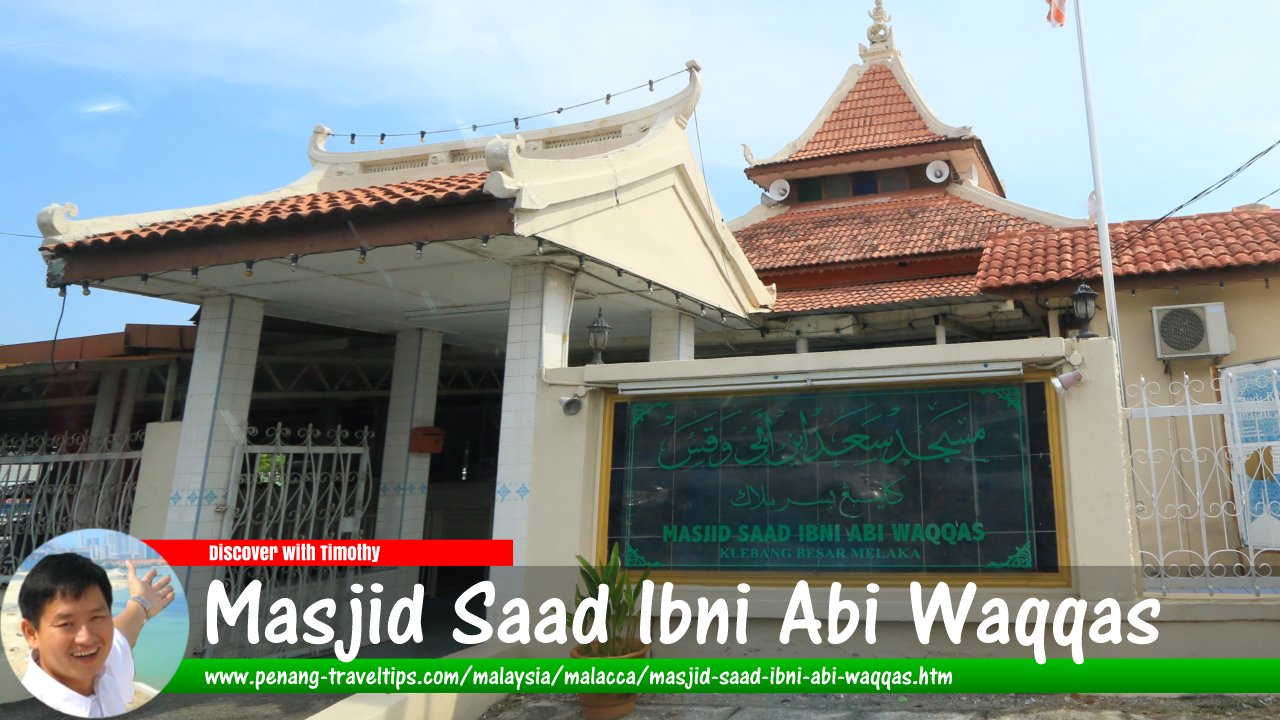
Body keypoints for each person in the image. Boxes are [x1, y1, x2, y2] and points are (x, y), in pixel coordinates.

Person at [17, 553, 176, 718]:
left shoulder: (103, 668)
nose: (86, 638)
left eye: (97, 617)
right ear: (31, 633)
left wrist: (142, 603)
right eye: (66, 624)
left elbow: (121, 636)